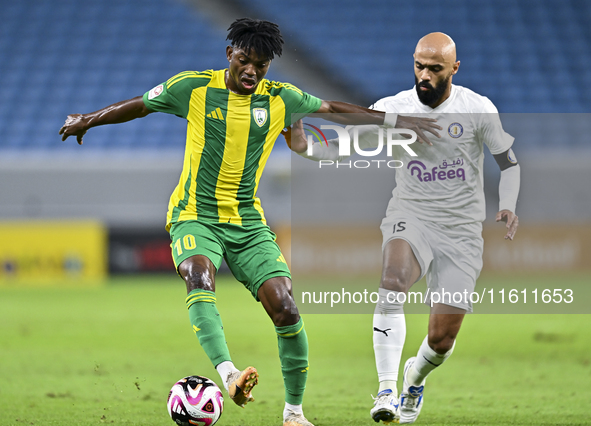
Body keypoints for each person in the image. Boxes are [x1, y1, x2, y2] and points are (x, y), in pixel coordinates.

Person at [59, 18, 440, 426]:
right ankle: (229, 376)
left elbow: (334, 109)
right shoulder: (193, 88)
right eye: (244, 61)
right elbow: (140, 105)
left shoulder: (280, 99)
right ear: (229, 55)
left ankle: (293, 413)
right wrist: (90, 118)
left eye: (260, 65)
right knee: (199, 276)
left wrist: (394, 122)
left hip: (246, 222)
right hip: (194, 214)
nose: (251, 72)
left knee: (287, 309)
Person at [292, 32, 520, 424]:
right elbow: (342, 146)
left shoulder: (477, 109)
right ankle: (385, 390)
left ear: (454, 69)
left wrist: (509, 206)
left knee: (441, 340)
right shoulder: (392, 108)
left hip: (462, 231)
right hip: (410, 215)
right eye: (419, 66)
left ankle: (414, 378)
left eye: (435, 68)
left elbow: (509, 163)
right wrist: (302, 145)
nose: (424, 76)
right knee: (392, 280)